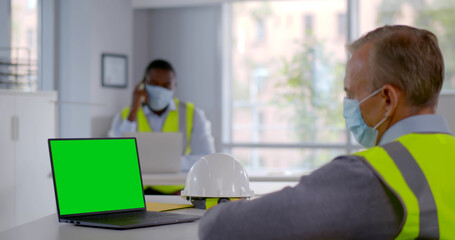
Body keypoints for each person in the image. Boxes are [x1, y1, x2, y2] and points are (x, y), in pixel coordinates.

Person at [199, 25, 455, 239]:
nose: (348, 105)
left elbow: (221, 229)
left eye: (352, 94)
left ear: (387, 99)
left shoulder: (368, 176)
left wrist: (218, 209)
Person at [109, 59, 215, 194]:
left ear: (174, 86)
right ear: (143, 84)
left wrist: (170, 163)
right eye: (154, 84)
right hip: (137, 194)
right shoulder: (125, 115)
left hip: (177, 193)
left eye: (166, 85)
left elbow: (206, 157)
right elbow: (117, 156)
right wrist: (133, 110)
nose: (159, 89)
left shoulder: (193, 114)